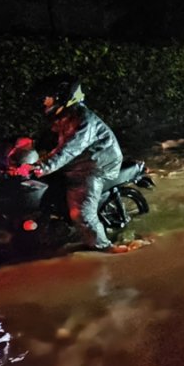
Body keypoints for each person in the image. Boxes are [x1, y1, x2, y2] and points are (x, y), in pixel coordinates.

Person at [15, 75, 122, 251]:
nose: (44, 102)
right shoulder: (60, 116)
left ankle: (104, 248)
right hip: (74, 163)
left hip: (94, 165)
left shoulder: (83, 119)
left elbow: (70, 149)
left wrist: (42, 167)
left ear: (62, 96)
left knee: (81, 213)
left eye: (47, 98)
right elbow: (46, 142)